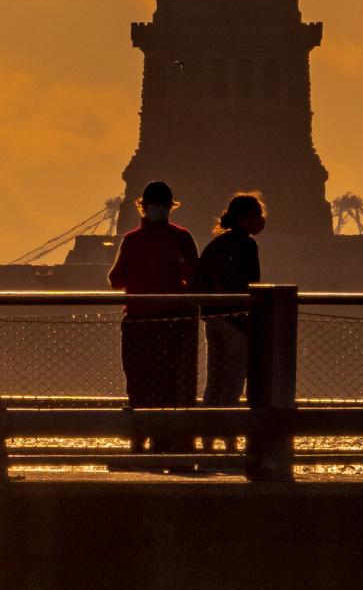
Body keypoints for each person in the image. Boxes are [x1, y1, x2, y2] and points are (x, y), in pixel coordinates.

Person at [107, 181, 198, 462]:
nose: (158, 210)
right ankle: (158, 440)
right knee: (163, 382)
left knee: (139, 383)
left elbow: (115, 280)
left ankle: (141, 440)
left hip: (140, 320)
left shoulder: (134, 239)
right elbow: (194, 280)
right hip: (166, 320)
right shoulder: (178, 237)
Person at [194, 194, 265, 440]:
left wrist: (216, 291)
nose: (261, 219)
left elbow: (199, 279)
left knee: (213, 381)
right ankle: (229, 438)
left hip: (213, 318)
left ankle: (206, 438)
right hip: (235, 320)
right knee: (232, 384)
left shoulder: (216, 244)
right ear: (243, 218)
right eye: (256, 213)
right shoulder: (246, 244)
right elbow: (251, 283)